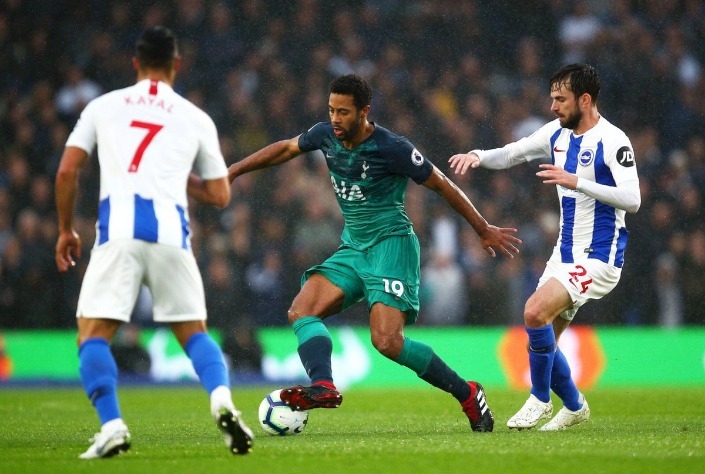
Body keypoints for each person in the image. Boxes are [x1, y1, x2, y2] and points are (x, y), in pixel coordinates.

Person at [228, 74, 522, 433]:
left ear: (364, 112)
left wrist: (481, 227)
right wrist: (234, 170)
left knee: (386, 341)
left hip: (391, 245)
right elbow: (286, 148)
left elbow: (442, 184)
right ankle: (323, 385)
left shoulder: (392, 147)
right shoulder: (325, 135)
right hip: (354, 246)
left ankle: (468, 393)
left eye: (344, 112)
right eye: (331, 110)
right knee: (301, 311)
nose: (335, 119)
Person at [54, 26, 253, 459]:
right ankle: (222, 400)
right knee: (194, 334)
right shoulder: (195, 117)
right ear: (176, 65)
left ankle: (112, 425)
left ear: (135, 64)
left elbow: (67, 171)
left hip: (119, 233)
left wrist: (66, 229)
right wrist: (178, 176)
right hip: (171, 237)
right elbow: (220, 195)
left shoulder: (103, 106)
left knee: (93, 334)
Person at [449, 63, 641, 431]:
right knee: (542, 343)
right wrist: (478, 156)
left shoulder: (613, 140)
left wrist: (576, 181)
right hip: (564, 255)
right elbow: (513, 153)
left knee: (534, 312)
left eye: (560, 99)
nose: (553, 106)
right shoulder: (556, 133)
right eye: (552, 98)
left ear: (585, 100)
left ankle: (539, 399)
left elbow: (633, 199)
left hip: (600, 256)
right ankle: (575, 405)